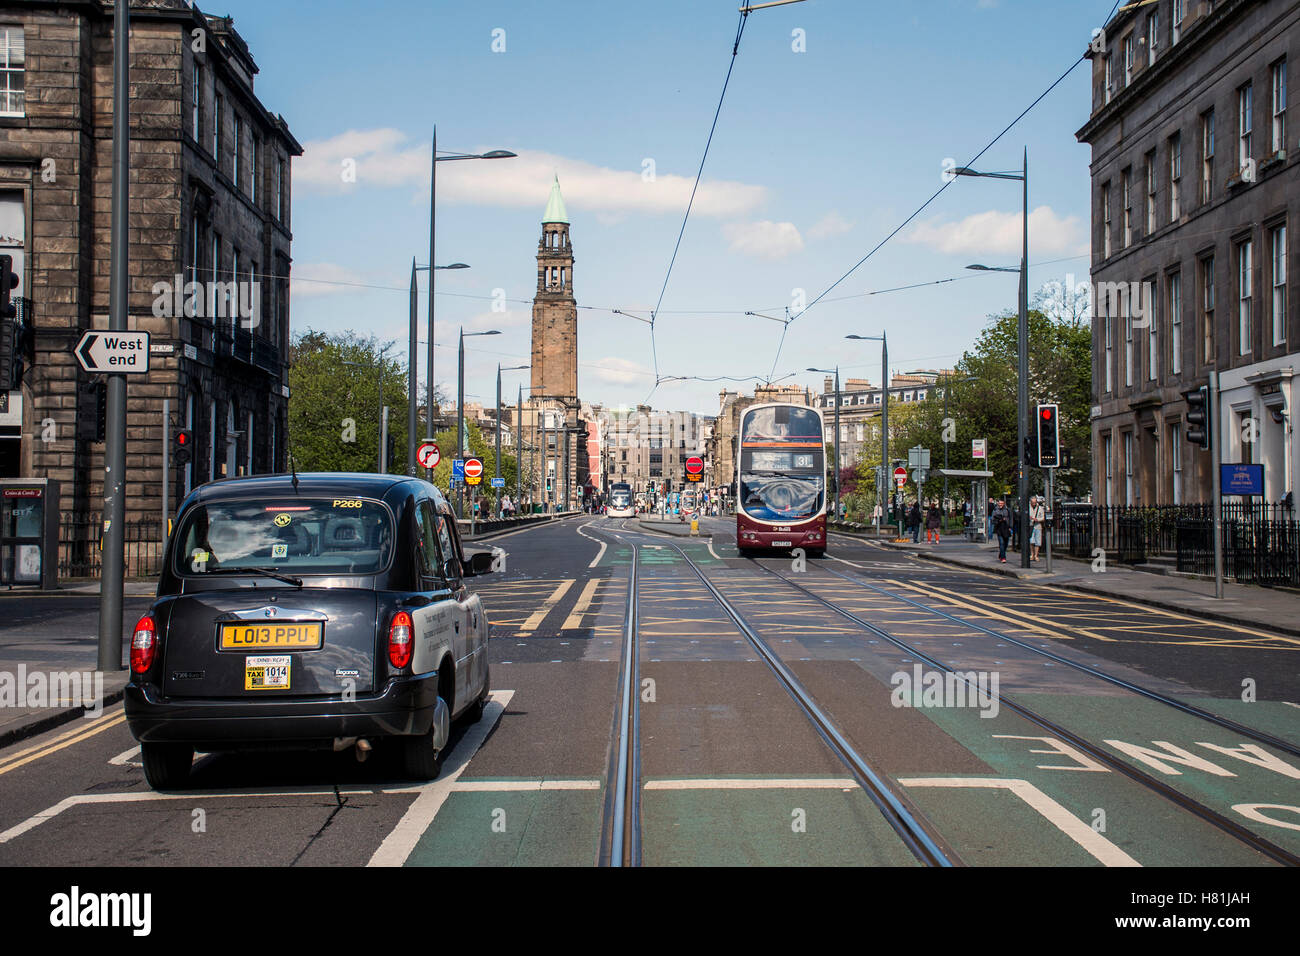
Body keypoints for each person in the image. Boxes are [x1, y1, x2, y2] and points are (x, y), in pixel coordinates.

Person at [992, 498, 1011, 563]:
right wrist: (999, 520)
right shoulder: (995, 510)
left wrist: (1010, 526)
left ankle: (1001, 554)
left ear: (1004, 504)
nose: (1000, 504)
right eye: (999, 503)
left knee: (1006, 544)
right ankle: (1003, 557)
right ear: (998, 503)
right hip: (999, 528)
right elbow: (993, 520)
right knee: (1001, 543)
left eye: (1002, 503)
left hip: (1006, 528)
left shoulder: (1007, 510)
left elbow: (1010, 518)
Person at [1029, 494, 1046, 562]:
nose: (1034, 504)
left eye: (1035, 502)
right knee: (1031, 541)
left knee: (1037, 542)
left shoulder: (1040, 508)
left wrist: (1037, 519)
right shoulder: (1028, 508)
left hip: (1038, 526)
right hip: (1030, 525)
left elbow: (1043, 517)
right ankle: (1032, 554)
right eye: (1032, 502)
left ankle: (1036, 555)